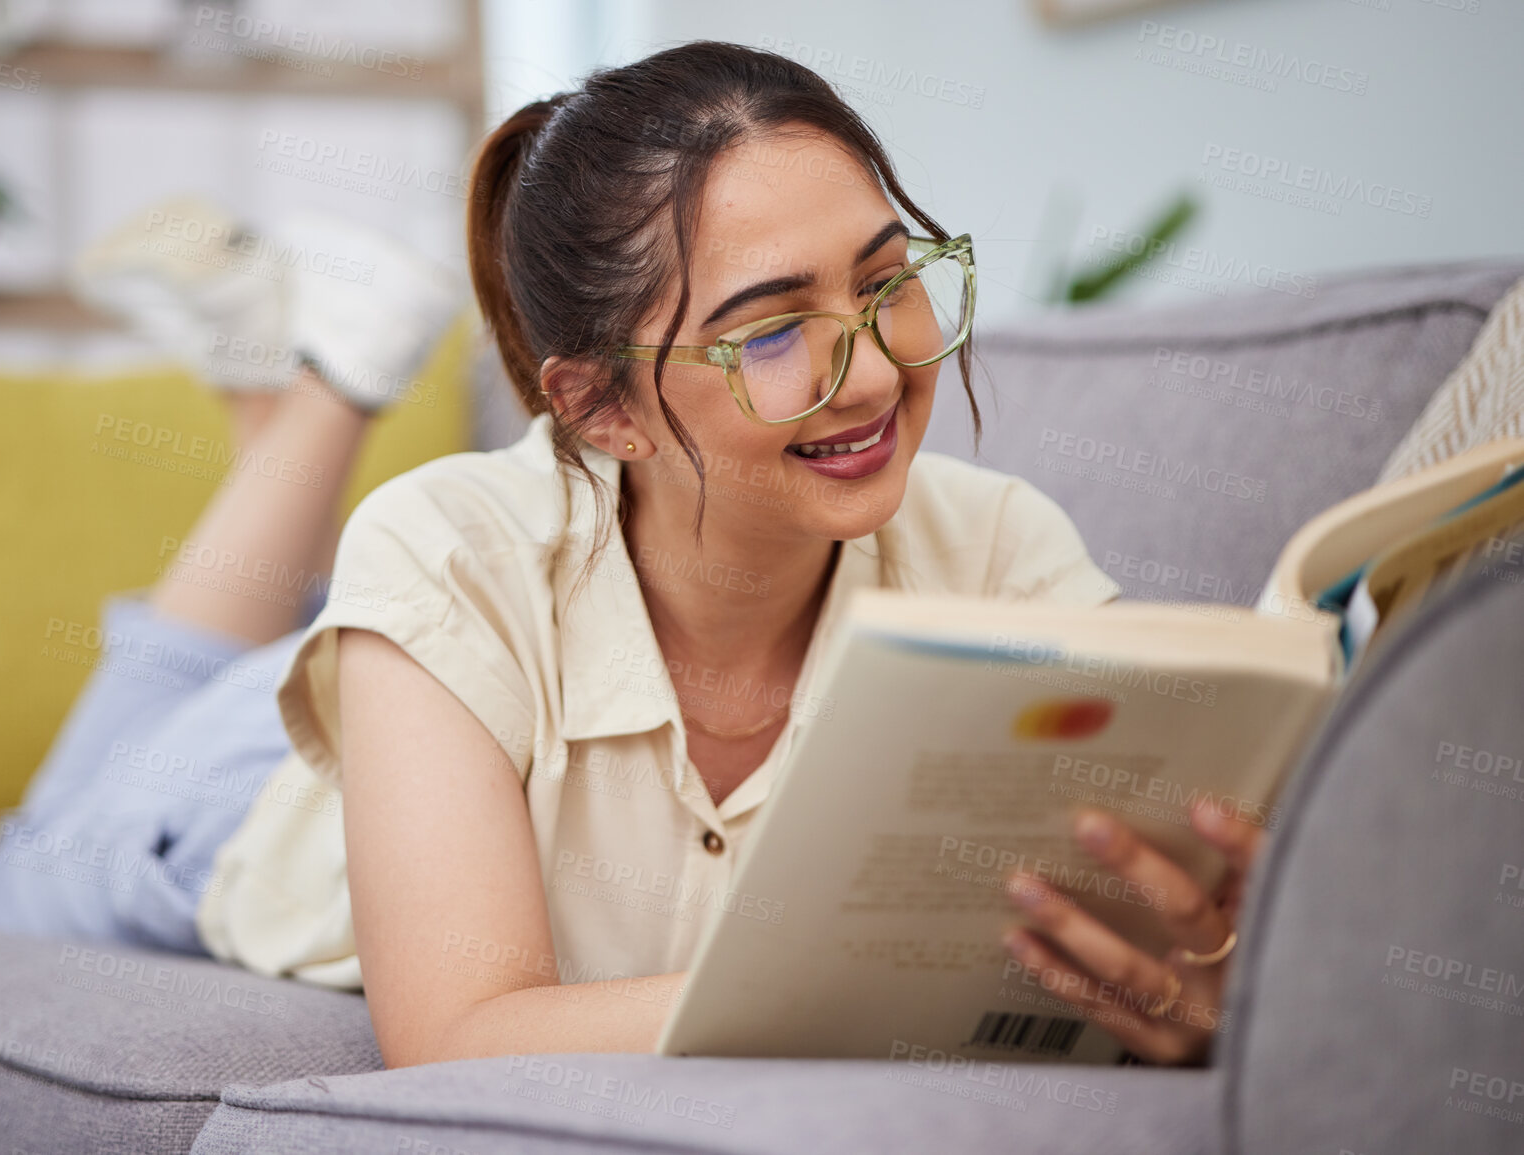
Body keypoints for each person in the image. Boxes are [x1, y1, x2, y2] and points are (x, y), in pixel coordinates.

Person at [194, 41, 1263, 1069]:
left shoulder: (998, 553)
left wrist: (1201, 971)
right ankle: (318, 384)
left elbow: (1146, 922)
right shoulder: (442, 556)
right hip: (223, 811)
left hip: (420, 686)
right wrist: (903, 981)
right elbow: (457, 1032)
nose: (877, 377)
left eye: (888, 283)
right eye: (770, 332)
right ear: (602, 407)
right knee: (145, 704)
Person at [0, 200, 461, 954]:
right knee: (59, 826)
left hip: (343, 747)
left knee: (17, 877)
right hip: (349, 715)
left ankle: (332, 382)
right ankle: (271, 378)